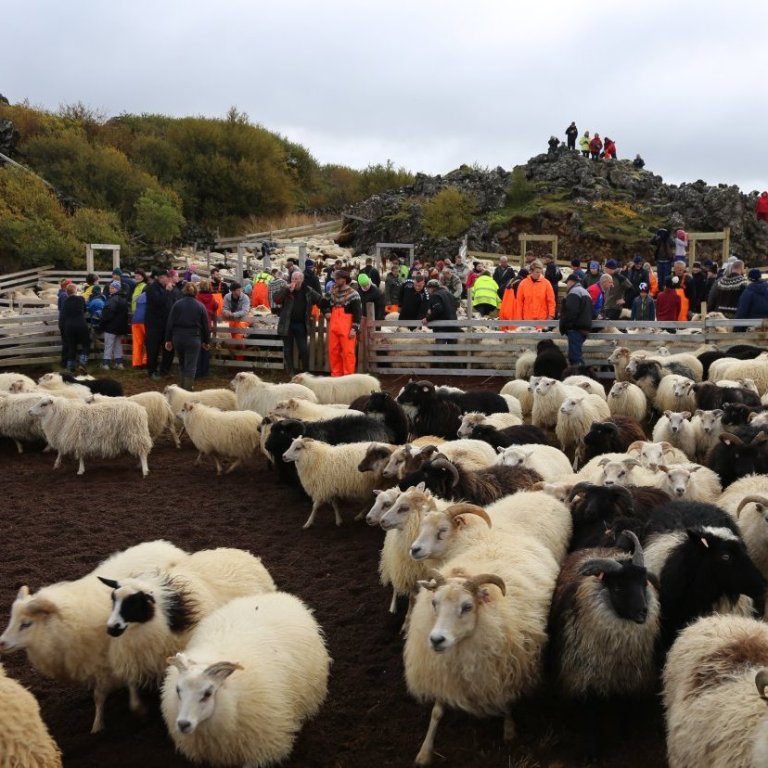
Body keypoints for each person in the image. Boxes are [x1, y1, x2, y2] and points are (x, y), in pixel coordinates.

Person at [275, 270, 321, 377]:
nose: (294, 281)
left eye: (296, 279)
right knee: (287, 349)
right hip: (287, 324)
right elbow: (276, 299)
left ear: (301, 280)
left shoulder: (308, 290)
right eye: (292, 279)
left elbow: (319, 299)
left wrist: (327, 311)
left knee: (303, 349)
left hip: (301, 324)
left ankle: (306, 372)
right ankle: (291, 372)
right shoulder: (286, 290)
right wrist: (286, 290)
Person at [164, 283, 210, 390]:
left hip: (178, 338)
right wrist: (206, 341)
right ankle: (187, 389)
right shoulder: (200, 306)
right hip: (194, 338)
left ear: (184, 291)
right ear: (195, 292)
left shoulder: (177, 304)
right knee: (191, 365)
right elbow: (205, 326)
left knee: (182, 362)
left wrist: (168, 340)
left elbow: (170, 323)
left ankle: (182, 388)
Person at [322, 271, 361, 376]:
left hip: (347, 328)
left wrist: (354, 328)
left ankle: (348, 377)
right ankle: (336, 376)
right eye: (335, 278)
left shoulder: (354, 294)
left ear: (344, 279)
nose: (335, 281)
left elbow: (358, 313)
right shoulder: (332, 292)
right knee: (333, 352)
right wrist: (326, 312)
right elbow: (322, 304)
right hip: (334, 327)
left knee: (348, 353)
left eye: (338, 279)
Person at [145, 269, 174, 381]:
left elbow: (170, 302)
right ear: (161, 278)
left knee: (168, 348)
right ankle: (152, 371)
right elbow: (158, 302)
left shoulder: (167, 288)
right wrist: (167, 292)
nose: (168, 280)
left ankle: (165, 370)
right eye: (167, 278)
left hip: (166, 324)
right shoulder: (152, 288)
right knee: (153, 349)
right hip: (154, 325)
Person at [559, 274, 593, 365]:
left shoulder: (574, 292)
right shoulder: (585, 292)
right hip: (584, 327)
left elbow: (571, 311)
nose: (566, 286)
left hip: (575, 328)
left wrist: (567, 326)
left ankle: (580, 375)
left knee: (575, 357)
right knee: (576, 354)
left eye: (567, 283)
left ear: (571, 282)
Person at [423, 278, 460, 361]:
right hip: (453, 324)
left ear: (431, 288)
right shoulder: (448, 294)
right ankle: (454, 367)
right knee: (452, 348)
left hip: (442, 326)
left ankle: (442, 368)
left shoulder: (435, 295)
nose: (428, 290)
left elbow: (438, 309)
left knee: (439, 348)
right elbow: (457, 304)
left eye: (428, 288)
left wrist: (428, 319)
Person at [60, 283, 90, 372]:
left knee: (72, 346)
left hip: (69, 326)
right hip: (80, 324)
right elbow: (85, 310)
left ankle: (71, 366)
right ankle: (82, 363)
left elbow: (63, 314)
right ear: (75, 290)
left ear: (67, 292)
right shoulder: (80, 299)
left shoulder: (65, 302)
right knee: (86, 343)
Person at [99, 280, 129, 370]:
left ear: (116, 289)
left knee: (108, 345)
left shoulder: (112, 299)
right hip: (120, 327)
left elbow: (107, 313)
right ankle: (119, 363)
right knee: (117, 345)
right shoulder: (124, 299)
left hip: (111, 326)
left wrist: (102, 323)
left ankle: (105, 364)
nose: (110, 289)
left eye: (112, 288)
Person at [195, 278, 217, 379]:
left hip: (198, 326)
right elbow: (216, 306)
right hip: (207, 326)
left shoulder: (197, 297)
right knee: (206, 347)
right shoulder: (212, 298)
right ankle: (205, 371)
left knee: (198, 348)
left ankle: (197, 371)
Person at [130, 269, 148, 369]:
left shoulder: (142, 287)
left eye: (139, 275)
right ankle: (145, 361)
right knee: (147, 341)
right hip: (143, 318)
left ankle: (137, 362)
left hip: (136, 317)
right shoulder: (138, 287)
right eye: (135, 275)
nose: (137, 277)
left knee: (138, 342)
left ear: (143, 276)